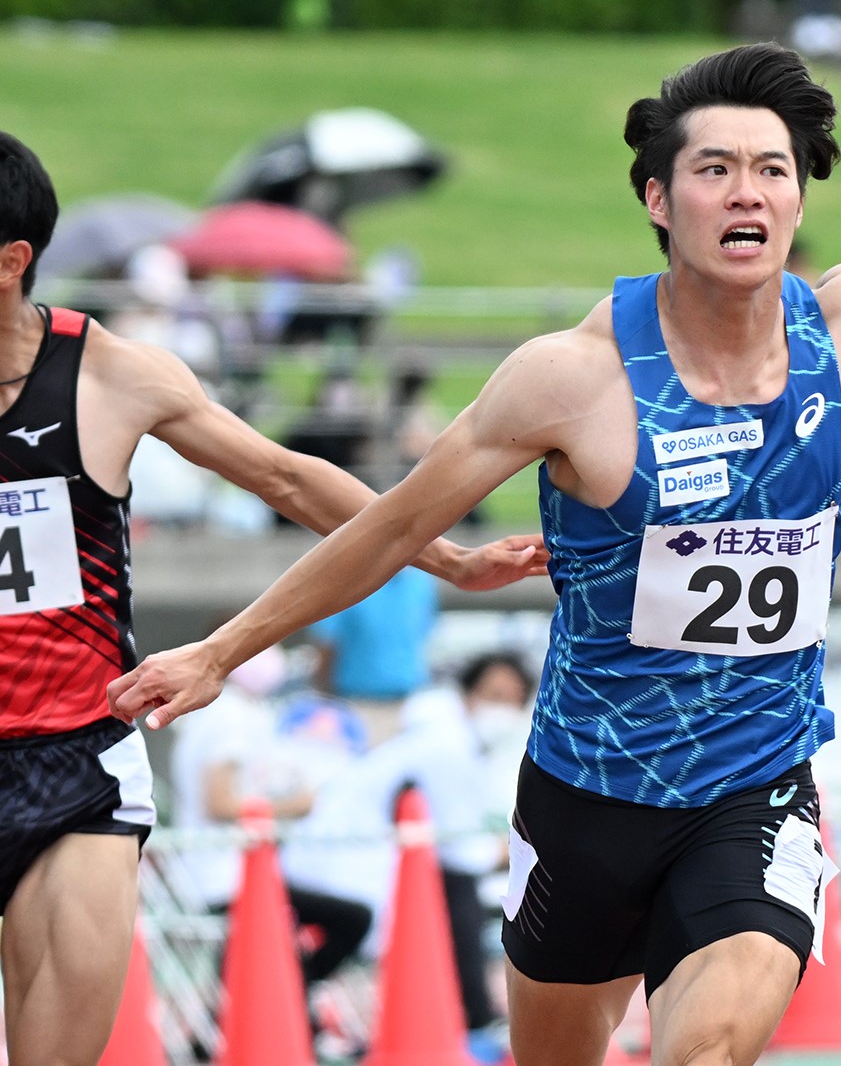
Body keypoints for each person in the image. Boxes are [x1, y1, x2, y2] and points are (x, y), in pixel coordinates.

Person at [109, 42, 841, 1066]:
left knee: (709, 1046)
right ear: (656, 196)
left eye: (770, 170)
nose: (747, 191)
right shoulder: (571, 380)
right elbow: (392, 524)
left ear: (795, 197)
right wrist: (224, 648)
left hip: (755, 784)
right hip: (585, 794)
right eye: (715, 168)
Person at [0, 130, 548, 1066]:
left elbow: (289, 479)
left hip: (73, 767)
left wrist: (449, 561)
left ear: (11, 261)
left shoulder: (110, 375)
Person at [281, 651, 536, 1054]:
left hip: (340, 862)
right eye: (495, 694)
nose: (502, 709)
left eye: (513, 699)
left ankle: (474, 1014)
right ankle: (474, 1017)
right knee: (456, 891)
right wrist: (514, 853)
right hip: (337, 866)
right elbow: (462, 852)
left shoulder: (445, 741)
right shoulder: (446, 746)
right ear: (468, 694)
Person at [168, 645, 371, 1061]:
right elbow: (220, 803)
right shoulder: (232, 718)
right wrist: (291, 806)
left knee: (256, 953)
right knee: (351, 917)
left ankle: (239, 1026)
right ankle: (295, 1001)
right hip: (226, 873)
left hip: (222, 869)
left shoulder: (214, 717)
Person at [308, 565, 441, 744]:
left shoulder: (421, 583)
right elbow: (328, 644)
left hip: (409, 704)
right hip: (357, 705)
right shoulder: (347, 581)